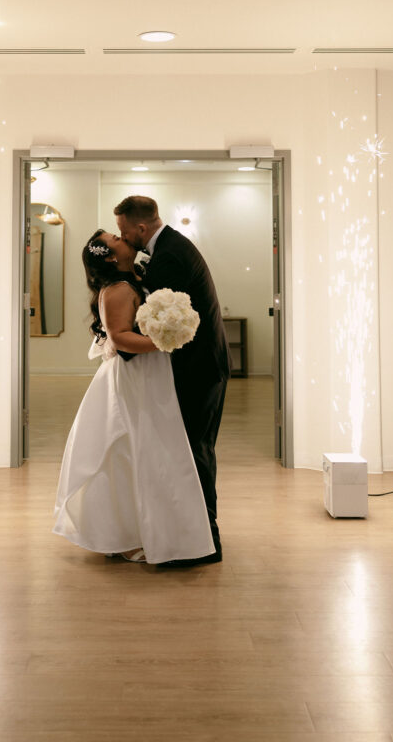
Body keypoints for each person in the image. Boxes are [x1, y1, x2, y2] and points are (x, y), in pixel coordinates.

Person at [53, 229, 215, 565]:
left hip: (150, 376)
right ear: (112, 256)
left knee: (148, 449)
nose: (122, 237)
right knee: (127, 450)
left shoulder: (134, 280)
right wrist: (165, 342)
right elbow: (121, 338)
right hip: (132, 378)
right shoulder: (118, 290)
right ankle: (123, 533)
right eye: (114, 238)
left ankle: (149, 526)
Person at [114, 196, 230, 565]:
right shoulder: (169, 248)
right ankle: (192, 533)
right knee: (192, 449)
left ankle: (206, 539)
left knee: (195, 450)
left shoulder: (170, 256)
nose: (124, 237)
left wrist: (124, 343)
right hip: (199, 365)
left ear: (141, 228)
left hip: (199, 369)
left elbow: (156, 320)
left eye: (124, 231)